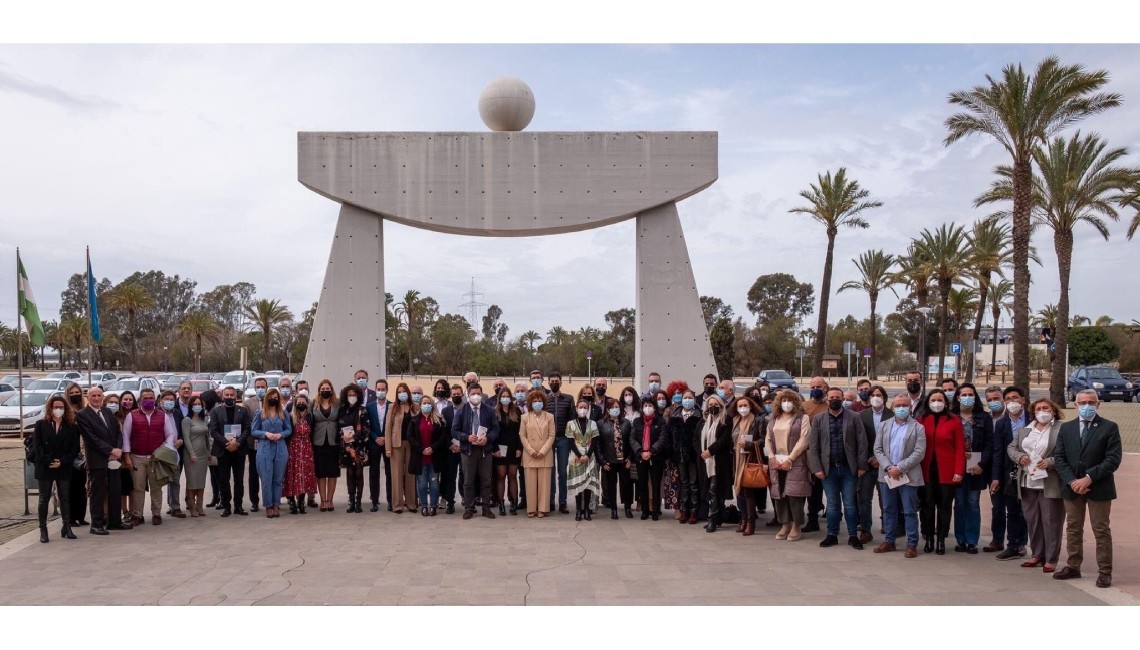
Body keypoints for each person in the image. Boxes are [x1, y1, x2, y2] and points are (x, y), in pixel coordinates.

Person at [1053, 389, 1122, 588]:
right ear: (1075, 405)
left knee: (1101, 529)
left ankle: (1104, 572)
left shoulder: (1109, 427)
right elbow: (1060, 458)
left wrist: (1088, 478)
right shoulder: (1066, 429)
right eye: (1082, 402)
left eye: (1091, 402)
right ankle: (1073, 566)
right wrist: (1073, 481)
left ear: (1098, 404)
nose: (1087, 406)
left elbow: (1113, 459)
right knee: (1073, 528)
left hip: (1099, 487)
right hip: (1072, 487)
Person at [1007, 397, 1064, 573]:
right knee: (1033, 520)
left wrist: (1050, 462)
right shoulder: (1026, 430)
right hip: (1027, 481)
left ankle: (1051, 558)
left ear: (1053, 410)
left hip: (1050, 482)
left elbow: (1066, 453)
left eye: (1045, 408)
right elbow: (1011, 448)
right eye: (1038, 408)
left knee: (1051, 521)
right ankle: (1037, 554)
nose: (1042, 411)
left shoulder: (1061, 429)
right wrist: (1020, 457)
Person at [807, 387, 868, 550]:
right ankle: (832, 535)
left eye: (838, 397)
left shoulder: (854, 417)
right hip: (828, 470)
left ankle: (853, 535)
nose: (835, 399)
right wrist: (817, 468)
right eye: (831, 397)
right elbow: (813, 446)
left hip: (849, 469)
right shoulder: (819, 419)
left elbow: (862, 443)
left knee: (849, 504)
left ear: (843, 399)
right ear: (827, 399)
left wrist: (862, 465)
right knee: (832, 504)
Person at [872, 395, 927, 558]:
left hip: (908, 475)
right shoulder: (884, 425)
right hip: (887, 475)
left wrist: (900, 467)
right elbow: (878, 449)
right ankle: (889, 540)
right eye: (898, 405)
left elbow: (919, 452)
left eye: (905, 405)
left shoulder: (918, 428)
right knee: (888, 509)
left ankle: (912, 544)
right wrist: (889, 467)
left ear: (910, 407)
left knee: (909, 511)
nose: (901, 408)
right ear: (892, 407)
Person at [917, 389, 965, 555]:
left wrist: (959, 470)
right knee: (927, 505)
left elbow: (960, 448)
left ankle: (941, 540)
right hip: (926, 470)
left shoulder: (954, 421)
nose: (936, 403)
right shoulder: (921, 420)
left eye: (940, 400)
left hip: (947, 471)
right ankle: (929, 537)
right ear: (928, 402)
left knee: (944, 507)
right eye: (933, 400)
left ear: (945, 402)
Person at [77, 386, 130, 534]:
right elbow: (91, 438)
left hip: (114, 459)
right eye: (93, 396)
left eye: (99, 395)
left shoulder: (107, 412)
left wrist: (118, 450)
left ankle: (115, 522)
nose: (96, 398)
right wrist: (110, 450)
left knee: (115, 490)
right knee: (98, 493)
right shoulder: (83, 415)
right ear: (88, 397)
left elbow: (118, 432)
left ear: (102, 397)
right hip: (97, 460)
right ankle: (96, 524)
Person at [122, 388, 179, 525]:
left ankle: (156, 514)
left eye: (151, 398)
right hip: (137, 457)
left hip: (156, 459)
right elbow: (126, 436)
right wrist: (127, 456)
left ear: (155, 399)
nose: (148, 400)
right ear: (140, 400)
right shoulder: (132, 415)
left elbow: (170, 434)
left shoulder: (162, 415)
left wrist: (164, 450)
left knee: (156, 487)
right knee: (138, 488)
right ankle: (138, 515)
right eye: (145, 398)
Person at [32, 395, 81, 542]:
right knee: (44, 498)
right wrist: (49, 461)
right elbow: (37, 447)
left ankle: (67, 527)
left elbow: (74, 449)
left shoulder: (72, 427)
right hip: (45, 466)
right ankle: (43, 529)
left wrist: (62, 462)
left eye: (61, 407)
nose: (57, 410)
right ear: (50, 408)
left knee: (65, 497)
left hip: (63, 466)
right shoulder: (41, 424)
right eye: (55, 407)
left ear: (65, 409)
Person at [952, 382, 993, 554]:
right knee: (959, 503)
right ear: (958, 397)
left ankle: (971, 541)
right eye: (964, 394)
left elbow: (990, 444)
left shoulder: (984, 418)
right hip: (956, 468)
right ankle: (960, 539)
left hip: (976, 467)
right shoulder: (951, 416)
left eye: (971, 394)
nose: (967, 398)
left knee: (973, 503)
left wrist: (981, 464)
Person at [765, 390, 811, 541]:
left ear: (796, 402)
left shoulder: (803, 418)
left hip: (795, 461)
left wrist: (790, 459)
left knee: (794, 494)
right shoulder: (773, 418)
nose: (786, 403)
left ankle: (796, 525)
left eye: (789, 400)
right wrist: (771, 457)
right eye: (783, 400)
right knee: (779, 494)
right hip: (776, 462)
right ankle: (785, 523)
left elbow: (804, 440)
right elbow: (768, 440)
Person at [992, 386, 1030, 560]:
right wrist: (996, 477)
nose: (1012, 402)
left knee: (1027, 511)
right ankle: (1013, 545)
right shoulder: (1001, 423)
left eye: (1015, 398)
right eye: (1008, 399)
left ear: (1023, 400)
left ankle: (1025, 544)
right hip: (1010, 472)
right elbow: (998, 451)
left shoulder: (1033, 419)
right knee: (1012, 510)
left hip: (1031, 469)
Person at [452, 382, 500, 519]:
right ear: (468, 395)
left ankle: (486, 507)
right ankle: (469, 507)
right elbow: (454, 431)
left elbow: (496, 429)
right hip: (468, 450)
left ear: (482, 394)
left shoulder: (489, 410)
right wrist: (467, 437)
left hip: (485, 450)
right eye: (473, 394)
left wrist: (488, 438)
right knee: (468, 480)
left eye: (478, 393)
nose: (476, 396)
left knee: (486, 480)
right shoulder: (462, 411)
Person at [208, 386, 252, 517]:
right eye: (226, 395)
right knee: (223, 480)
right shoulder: (215, 411)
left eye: (231, 395)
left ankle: (238, 506)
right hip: (223, 450)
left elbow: (247, 429)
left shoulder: (243, 411)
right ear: (222, 396)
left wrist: (237, 443)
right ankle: (226, 506)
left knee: (239, 480)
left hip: (238, 450)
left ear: (236, 396)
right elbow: (213, 431)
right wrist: (227, 443)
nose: (229, 397)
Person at [405, 395, 450, 516]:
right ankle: (424, 505)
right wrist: (422, 449)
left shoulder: (438, 419)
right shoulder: (414, 420)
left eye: (428, 403)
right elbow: (410, 437)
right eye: (424, 403)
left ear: (432, 405)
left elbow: (442, 437)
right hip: (420, 456)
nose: (426, 405)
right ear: (420, 405)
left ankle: (433, 505)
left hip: (434, 456)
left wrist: (432, 448)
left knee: (434, 482)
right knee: (422, 482)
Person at [858, 385, 892, 542]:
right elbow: (858, 441)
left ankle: (888, 526)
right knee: (864, 499)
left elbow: (895, 442)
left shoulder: (892, 415)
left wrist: (882, 460)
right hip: (868, 464)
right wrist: (869, 459)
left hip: (886, 465)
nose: (875, 397)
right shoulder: (861, 416)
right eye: (873, 395)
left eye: (879, 394)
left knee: (886, 498)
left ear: (884, 398)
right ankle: (865, 529)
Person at [252, 388, 293, 518]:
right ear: (266, 398)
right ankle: (268, 505)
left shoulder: (283, 413)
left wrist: (280, 435)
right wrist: (265, 434)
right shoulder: (260, 413)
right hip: (265, 449)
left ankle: (276, 504)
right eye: (271, 397)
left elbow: (289, 429)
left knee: (278, 479)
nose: (273, 400)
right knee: (266, 479)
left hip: (280, 449)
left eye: (276, 398)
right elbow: (254, 431)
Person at [698, 394, 733, 532]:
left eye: (716, 404)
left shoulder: (726, 420)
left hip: (719, 461)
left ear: (721, 405)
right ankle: (717, 517)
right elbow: (697, 438)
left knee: (714, 490)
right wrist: (701, 452)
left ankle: (712, 519)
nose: (713, 407)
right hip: (705, 461)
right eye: (710, 404)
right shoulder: (703, 421)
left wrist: (710, 451)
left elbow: (724, 440)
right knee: (711, 491)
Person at [519, 389, 555, 518]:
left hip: (545, 454)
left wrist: (543, 451)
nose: (537, 403)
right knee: (530, 483)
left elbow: (551, 435)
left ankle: (543, 508)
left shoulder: (550, 417)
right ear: (530, 403)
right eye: (535, 401)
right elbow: (522, 435)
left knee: (544, 484)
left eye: (540, 401)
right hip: (530, 454)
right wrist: (531, 451)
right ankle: (531, 508)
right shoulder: (524, 417)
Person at [630, 396, 667, 521]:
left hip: (656, 457)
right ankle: (645, 510)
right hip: (641, 457)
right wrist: (640, 451)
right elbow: (632, 438)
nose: (647, 408)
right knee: (642, 484)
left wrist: (651, 451)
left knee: (656, 484)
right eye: (645, 406)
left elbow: (662, 438)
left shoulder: (661, 421)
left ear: (655, 408)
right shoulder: (636, 422)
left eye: (650, 406)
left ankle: (655, 510)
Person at [597, 397, 634, 519]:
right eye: (612, 407)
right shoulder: (601, 424)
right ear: (607, 410)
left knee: (626, 485)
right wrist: (602, 461)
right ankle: (613, 509)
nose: (615, 409)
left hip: (624, 460)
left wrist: (630, 458)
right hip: (609, 461)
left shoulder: (627, 423)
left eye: (617, 407)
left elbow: (631, 442)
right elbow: (598, 444)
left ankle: (627, 507)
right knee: (611, 485)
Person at [669, 389, 702, 524]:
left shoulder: (699, 416)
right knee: (683, 483)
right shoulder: (675, 415)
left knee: (694, 483)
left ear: (694, 400)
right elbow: (671, 437)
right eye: (685, 397)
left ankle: (694, 511)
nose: (687, 400)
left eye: (690, 397)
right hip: (680, 454)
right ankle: (684, 510)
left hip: (694, 455)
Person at [544, 371, 575, 514]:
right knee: (550, 471)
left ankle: (563, 502)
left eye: (557, 381)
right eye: (552, 381)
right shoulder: (544, 399)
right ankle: (550, 502)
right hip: (548, 440)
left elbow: (572, 419)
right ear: (548, 382)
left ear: (561, 382)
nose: (554, 383)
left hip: (563, 439)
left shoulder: (568, 399)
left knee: (562, 472)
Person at [385, 381, 418, 513]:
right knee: (396, 474)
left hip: (412, 445)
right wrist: (388, 447)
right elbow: (387, 428)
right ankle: (397, 504)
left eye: (403, 391)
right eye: (399, 392)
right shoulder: (392, 407)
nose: (401, 394)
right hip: (396, 444)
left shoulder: (415, 407)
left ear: (408, 393)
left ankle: (411, 503)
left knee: (411, 474)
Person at [566, 398, 601, 521]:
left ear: (588, 409)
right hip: (576, 458)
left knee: (587, 484)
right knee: (578, 484)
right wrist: (579, 455)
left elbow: (595, 441)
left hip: (589, 457)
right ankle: (578, 510)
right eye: (580, 407)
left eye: (585, 407)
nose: (582, 410)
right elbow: (570, 441)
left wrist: (587, 455)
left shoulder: (593, 423)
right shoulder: (570, 424)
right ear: (576, 409)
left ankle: (587, 509)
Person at [310, 379, 342, 512]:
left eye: (327, 388)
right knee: (321, 473)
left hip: (334, 442)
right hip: (319, 442)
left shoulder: (338, 403)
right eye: (323, 389)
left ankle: (330, 500)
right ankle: (323, 500)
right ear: (319, 390)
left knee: (333, 473)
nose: (325, 391)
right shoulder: (314, 403)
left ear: (332, 389)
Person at [337, 384, 370, 513]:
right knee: (349, 473)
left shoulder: (363, 410)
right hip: (346, 447)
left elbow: (366, 429)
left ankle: (359, 501)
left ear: (359, 396)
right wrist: (343, 437)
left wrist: (354, 437)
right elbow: (338, 427)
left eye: (354, 395)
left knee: (359, 473)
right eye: (349, 395)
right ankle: (351, 500)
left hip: (359, 446)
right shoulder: (342, 410)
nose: (352, 397)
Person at [802, 376, 828, 532]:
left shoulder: (830, 405)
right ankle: (813, 519)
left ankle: (834, 518)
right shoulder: (805, 406)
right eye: (812, 387)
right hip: (811, 453)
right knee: (813, 489)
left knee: (831, 490)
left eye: (818, 387)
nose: (815, 390)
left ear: (825, 388)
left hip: (829, 453)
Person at [284, 393, 317, 514]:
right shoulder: (289, 416)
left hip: (307, 449)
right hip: (293, 448)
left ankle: (301, 502)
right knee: (292, 475)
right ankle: (292, 502)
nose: (301, 404)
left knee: (305, 475)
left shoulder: (310, 417)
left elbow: (312, 432)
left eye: (303, 402)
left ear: (307, 404)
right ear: (295, 404)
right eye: (299, 402)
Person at [62, 382, 89, 529]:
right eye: (71, 394)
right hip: (68, 456)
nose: (75, 395)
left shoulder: (84, 411)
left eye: (77, 392)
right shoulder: (65, 412)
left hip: (82, 455)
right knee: (69, 488)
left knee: (81, 487)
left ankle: (80, 516)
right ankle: (70, 518)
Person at [180, 395, 211, 517]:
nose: (197, 406)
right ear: (191, 406)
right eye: (195, 404)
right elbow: (186, 438)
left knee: (201, 481)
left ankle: (200, 505)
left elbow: (206, 437)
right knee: (192, 482)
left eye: (199, 404)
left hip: (203, 455)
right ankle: (192, 506)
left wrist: (209, 451)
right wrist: (192, 453)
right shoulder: (187, 420)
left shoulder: (203, 420)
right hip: (191, 455)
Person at [165, 381, 192, 519]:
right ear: (179, 391)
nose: (186, 390)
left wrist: (181, 439)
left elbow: (181, 429)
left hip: (186, 448)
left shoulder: (195, 405)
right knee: (172, 479)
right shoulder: (171, 407)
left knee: (179, 479)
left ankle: (183, 503)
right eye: (183, 388)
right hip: (168, 450)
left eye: (188, 388)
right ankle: (173, 505)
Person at [493, 386, 522, 515]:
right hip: (500, 450)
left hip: (513, 449)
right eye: (503, 396)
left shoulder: (517, 412)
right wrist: (495, 449)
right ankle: (501, 504)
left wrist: (519, 448)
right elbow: (491, 432)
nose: (505, 399)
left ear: (511, 398)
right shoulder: (494, 413)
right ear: (499, 398)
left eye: (507, 396)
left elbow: (521, 432)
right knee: (501, 476)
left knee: (512, 476)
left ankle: (514, 503)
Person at [439, 383, 466, 514]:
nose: (456, 396)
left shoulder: (468, 409)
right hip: (451, 449)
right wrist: (451, 444)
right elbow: (443, 431)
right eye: (454, 394)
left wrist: (462, 444)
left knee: (466, 475)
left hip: (465, 448)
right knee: (450, 476)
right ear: (450, 395)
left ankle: (467, 500)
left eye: (458, 394)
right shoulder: (446, 411)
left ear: (462, 394)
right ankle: (450, 502)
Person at [366, 378, 391, 512]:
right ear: (375, 390)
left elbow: (393, 426)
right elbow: (367, 425)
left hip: (387, 444)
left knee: (389, 473)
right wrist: (376, 437)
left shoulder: (392, 406)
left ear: (387, 390)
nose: (381, 391)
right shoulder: (369, 406)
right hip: (374, 443)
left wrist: (386, 438)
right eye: (378, 389)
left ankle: (390, 500)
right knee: (374, 473)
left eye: (383, 389)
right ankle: (374, 500)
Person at [243, 377, 268, 512]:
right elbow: (247, 424)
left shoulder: (271, 401)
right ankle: (254, 501)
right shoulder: (248, 403)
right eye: (258, 387)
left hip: (270, 442)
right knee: (253, 473)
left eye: (262, 387)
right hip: (253, 443)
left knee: (269, 472)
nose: (260, 389)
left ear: (267, 387)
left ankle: (269, 499)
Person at [112, 391, 135, 517]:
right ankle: (124, 511)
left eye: (130, 399)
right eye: (125, 399)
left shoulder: (137, 415)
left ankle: (132, 510)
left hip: (135, 454)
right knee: (123, 486)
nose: (128, 402)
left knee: (133, 486)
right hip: (120, 455)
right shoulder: (118, 418)